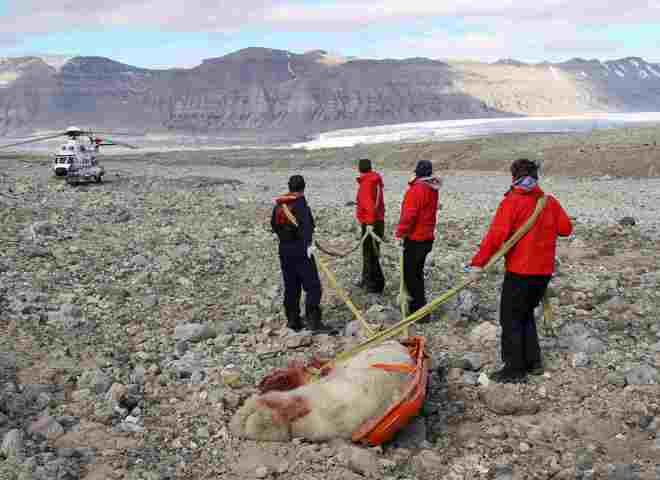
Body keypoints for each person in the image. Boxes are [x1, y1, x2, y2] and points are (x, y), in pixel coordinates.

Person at [468, 159, 573, 384]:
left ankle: (514, 369)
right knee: (525, 314)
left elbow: (496, 237)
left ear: (514, 176)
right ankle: (533, 363)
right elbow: (566, 229)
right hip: (543, 272)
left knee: (511, 317)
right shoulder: (548, 201)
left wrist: (478, 264)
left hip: (520, 271)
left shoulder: (512, 202)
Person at [271, 175, 334, 333]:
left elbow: (274, 225)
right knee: (313, 287)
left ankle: (293, 321)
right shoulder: (300, 204)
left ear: (289, 186)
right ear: (303, 187)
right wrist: (307, 245)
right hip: (301, 250)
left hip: (284, 250)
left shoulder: (280, 204)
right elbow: (306, 226)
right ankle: (314, 322)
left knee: (291, 286)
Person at [395, 160, 442, 319]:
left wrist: (400, 234)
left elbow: (409, 216)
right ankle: (419, 308)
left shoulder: (416, 190)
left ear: (417, 172)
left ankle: (418, 312)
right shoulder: (432, 188)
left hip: (415, 238)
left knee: (411, 275)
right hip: (426, 237)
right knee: (417, 274)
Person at [355, 158, 386, 294]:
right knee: (371, 252)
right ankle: (367, 279)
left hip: (371, 224)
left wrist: (368, 224)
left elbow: (368, 205)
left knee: (369, 253)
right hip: (377, 221)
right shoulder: (375, 181)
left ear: (359, 169)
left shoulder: (367, 183)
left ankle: (375, 285)